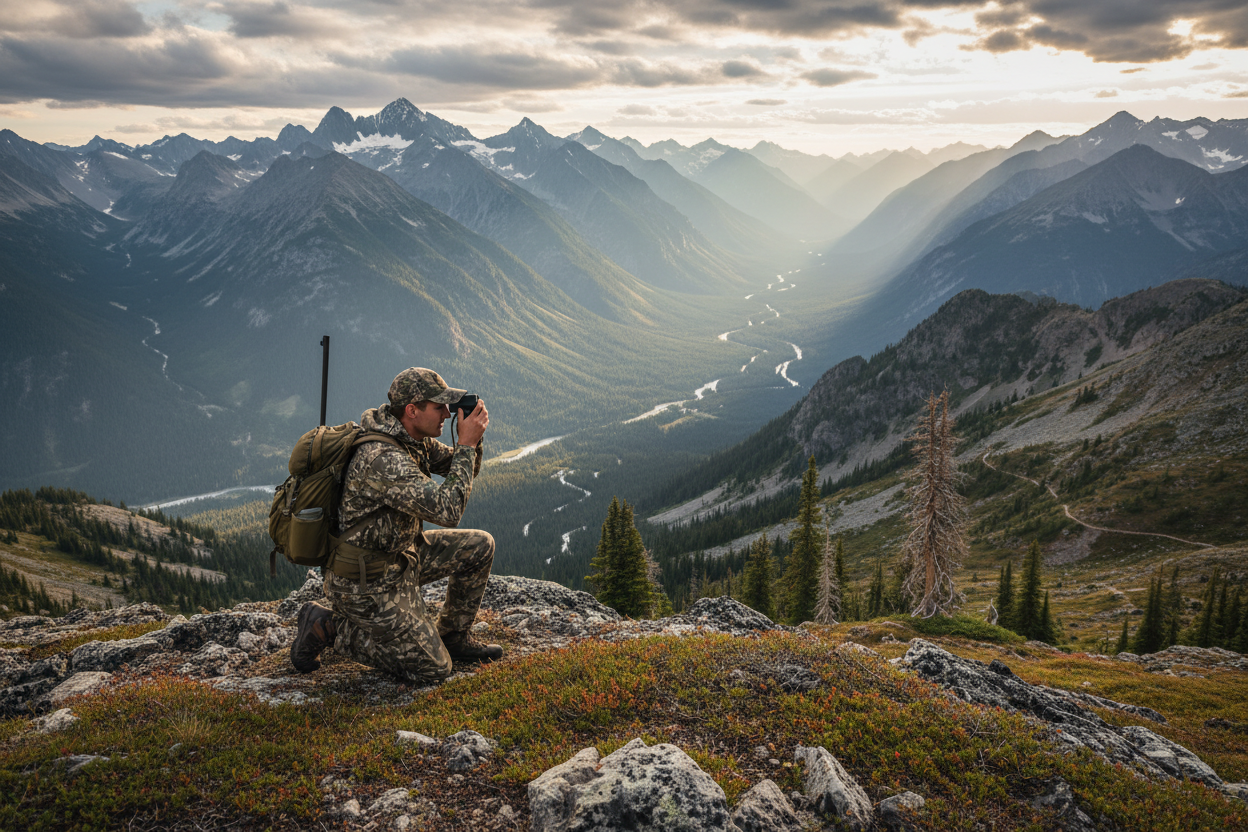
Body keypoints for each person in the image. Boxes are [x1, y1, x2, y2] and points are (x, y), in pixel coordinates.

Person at [290, 367, 502, 682]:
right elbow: (447, 511)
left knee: (479, 546)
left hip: (400, 557)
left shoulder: (414, 438)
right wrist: (467, 444)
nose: (446, 413)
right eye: (438, 406)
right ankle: (330, 627)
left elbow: (463, 470)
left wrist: (472, 438)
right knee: (434, 668)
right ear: (412, 411)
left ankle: (453, 637)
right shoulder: (383, 459)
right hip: (365, 582)